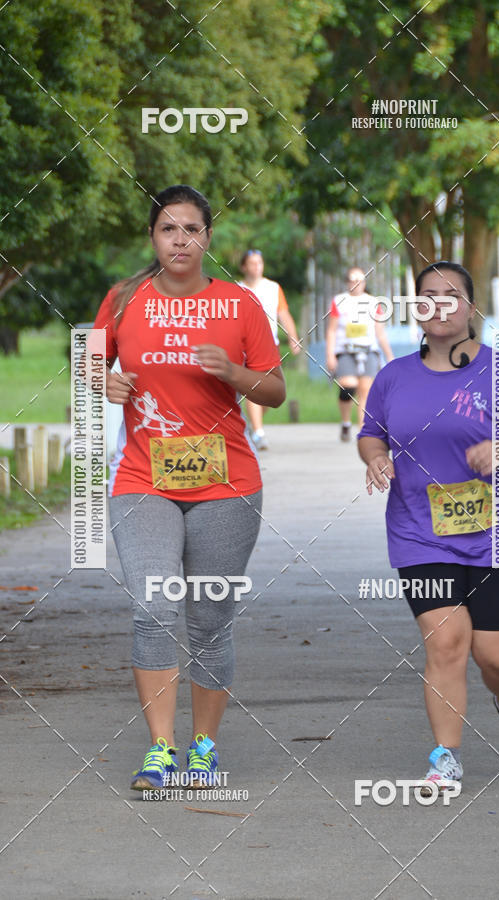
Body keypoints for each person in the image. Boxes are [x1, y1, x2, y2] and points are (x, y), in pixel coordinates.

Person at [92, 185, 285, 791]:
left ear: (208, 238)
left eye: (192, 229)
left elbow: (275, 390)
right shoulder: (125, 300)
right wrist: (105, 382)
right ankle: (160, 748)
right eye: (168, 229)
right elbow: (89, 362)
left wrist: (235, 374)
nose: (180, 239)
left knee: (209, 620)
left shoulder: (239, 305)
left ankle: (203, 747)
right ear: (153, 238)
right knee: (152, 607)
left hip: (227, 485)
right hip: (142, 478)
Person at [357, 260, 499, 792]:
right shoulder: (392, 376)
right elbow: (370, 433)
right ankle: (445, 756)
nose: (439, 303)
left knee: (498, 655)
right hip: (419, 531)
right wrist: (374, 457)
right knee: (446, 643)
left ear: (471, 308)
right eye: (427, 295)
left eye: (451, 294)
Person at [238, 249, 301, 449]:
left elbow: (284, 314)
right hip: (244, 346)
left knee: (269, 393)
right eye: (252, 263)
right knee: (253, 389)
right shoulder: (236, 289)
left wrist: (294, 338)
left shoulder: (273, 288)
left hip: (269, 345)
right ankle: (258, 432)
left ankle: (255, 424)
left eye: (260, 263)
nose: (257, 267)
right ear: (244, 267)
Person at [326, 267, 393, 441]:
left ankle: (363, 431)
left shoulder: (373, 302)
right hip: (346, 350)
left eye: (360, 280)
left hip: (368, 350)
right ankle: (346, 422)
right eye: (352, 280)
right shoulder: (339, 300)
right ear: (347, 282)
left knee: (365, 390)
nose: (356, 284)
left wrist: (389, 356)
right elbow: (331, 331)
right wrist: (330, 355)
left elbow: (380, 332)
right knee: (348, 386)